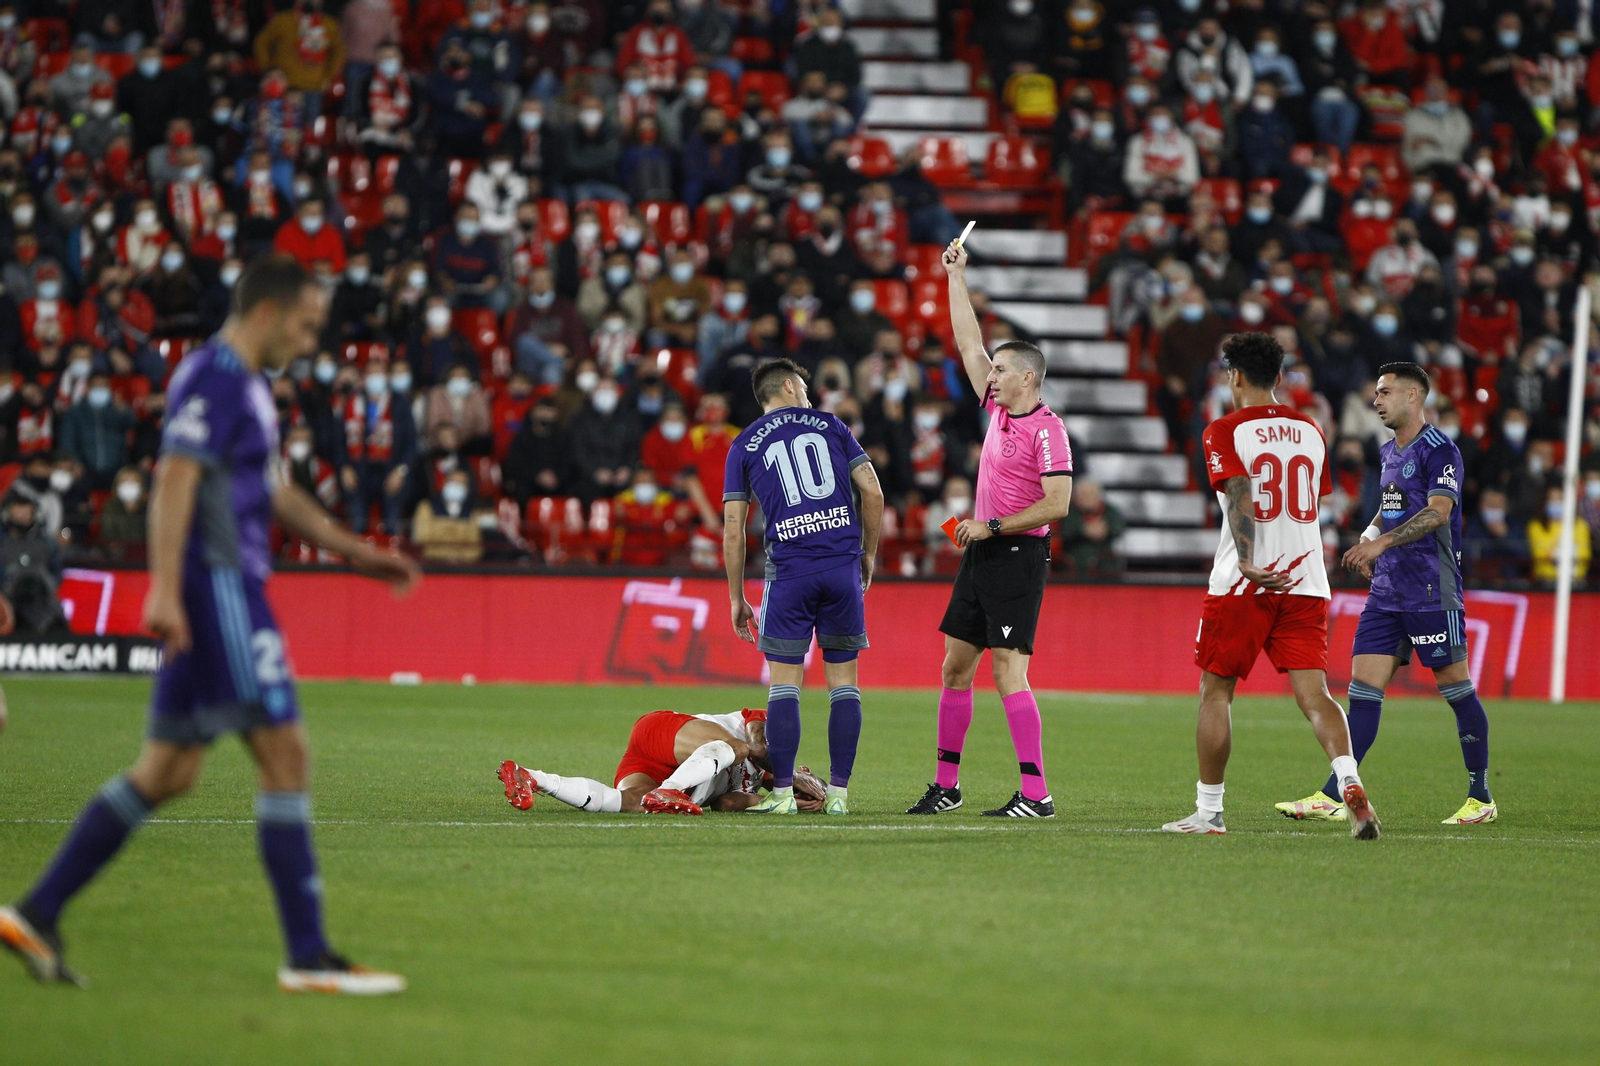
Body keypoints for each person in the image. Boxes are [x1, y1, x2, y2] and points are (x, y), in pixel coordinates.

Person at [0, 255, 421, 993]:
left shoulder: (252, 386)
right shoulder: (214, 378)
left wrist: (357, 552)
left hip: (219, 590)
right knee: (286, 756)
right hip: (219, 591)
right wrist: (163, 590)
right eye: (307, 323)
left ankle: (35, 911)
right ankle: (307, 955)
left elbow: (277, 492)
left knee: (168, 771)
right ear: (268, 311)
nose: (311, 338)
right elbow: (174, 479)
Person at [1160, 333, 1377, 839]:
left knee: (1215, 693)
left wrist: (1250, 558)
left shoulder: (1224, 430)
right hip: (1306, 580)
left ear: (1233, 376)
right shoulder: (1310, 429)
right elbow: (1311, 498)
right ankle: (1348, 780)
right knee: (1315, 694)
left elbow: (1239, 490)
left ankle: (1209, 813)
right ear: (1279, 377)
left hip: (1245, 580)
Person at [1278, 364, 1497, 827]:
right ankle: (1334, 793)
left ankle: (1481, 796)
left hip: (1431, 590)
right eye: (1375, 393)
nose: (1376, 400)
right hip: (1387, 593)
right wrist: (1373, 528)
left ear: (1414, 395)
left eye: (1385, 392)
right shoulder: (1387, 451)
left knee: (1457, 691)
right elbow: (1393, 501)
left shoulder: (1442, 450)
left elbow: (1438, 512)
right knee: (1362, 695)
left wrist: (1382, 543)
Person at [904, 240, 1073, 820]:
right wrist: (955, 276)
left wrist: (991, 525)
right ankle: (947, 785)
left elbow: (1059, 503)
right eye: (992, 369)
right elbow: (967, 342)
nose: (990, 374)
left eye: (1001, 369)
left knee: (1007, 671)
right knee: (954, 666)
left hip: (1019, 555)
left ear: (1028, 377)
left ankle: (1036, 793)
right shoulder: (999, 410)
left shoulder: (1049, 430)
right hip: (982, 554)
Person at [723, 358, 884, 815]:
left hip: (790, 574)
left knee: (785, 687)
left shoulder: (743, 444)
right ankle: (839, 794)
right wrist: (867, 553)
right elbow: (872, 491)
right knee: (844, 685)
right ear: (792, 387)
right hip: (841, 570)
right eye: (805, 389)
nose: (809, 397)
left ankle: (781, 796)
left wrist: (737, 597)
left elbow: (733, 529)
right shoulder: (831, 425)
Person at [497, 706, 828, 815]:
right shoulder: (769, 731)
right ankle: (669, 789)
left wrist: (784, 802)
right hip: (661, 733)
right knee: (736, 747)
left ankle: (534, 778)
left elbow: (727, 803)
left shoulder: (759, 788)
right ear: (803, 770)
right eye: (806, 784)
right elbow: (755, 745)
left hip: (648, 764)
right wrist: (788, 773)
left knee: (629, 803)